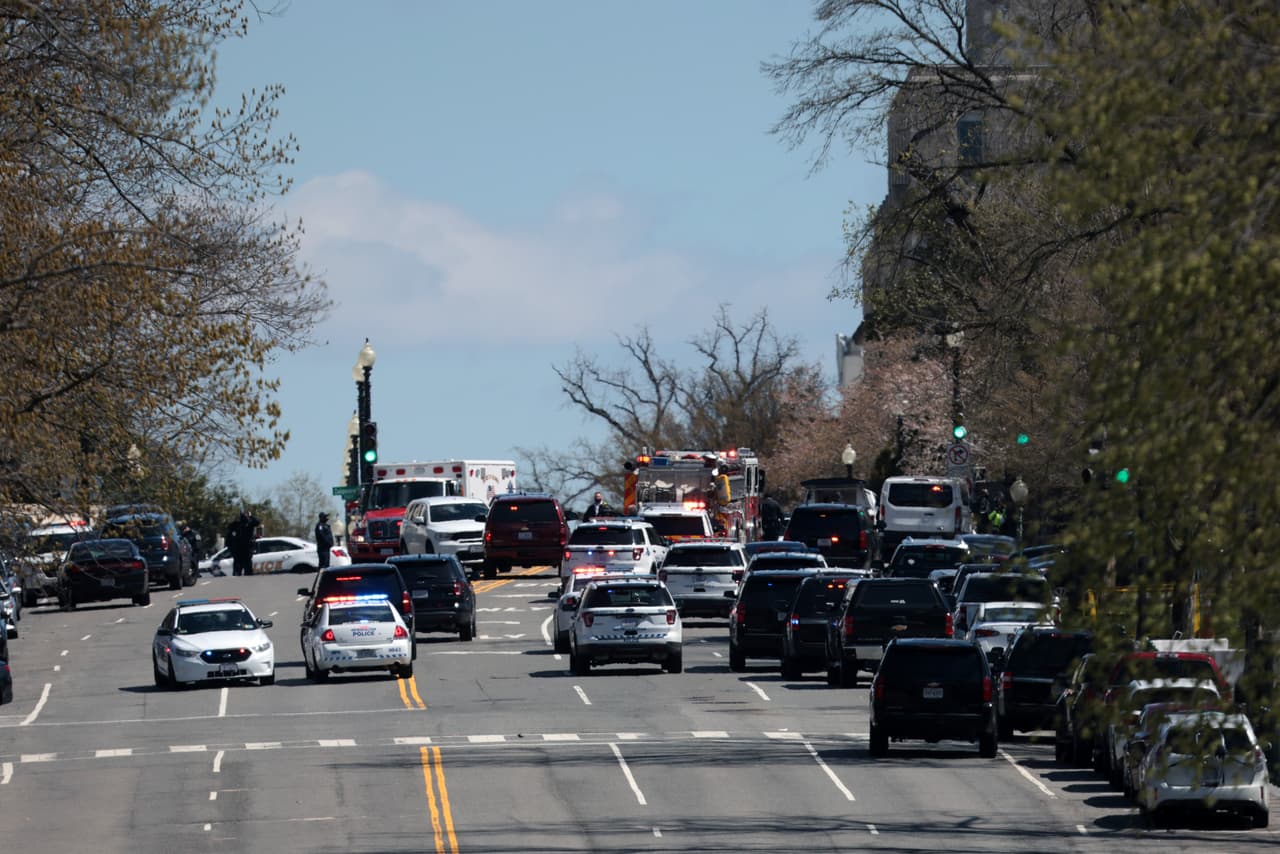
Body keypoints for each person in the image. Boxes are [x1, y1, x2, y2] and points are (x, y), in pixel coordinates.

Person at [228, 509, 260, 577]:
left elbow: (257, 522)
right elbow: (229, 529)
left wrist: (250, 517)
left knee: (247, 569)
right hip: (240, 551)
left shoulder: (249, 524)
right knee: (239, 570)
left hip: (245, 551)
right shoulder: (238, 525)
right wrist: (250, 516)